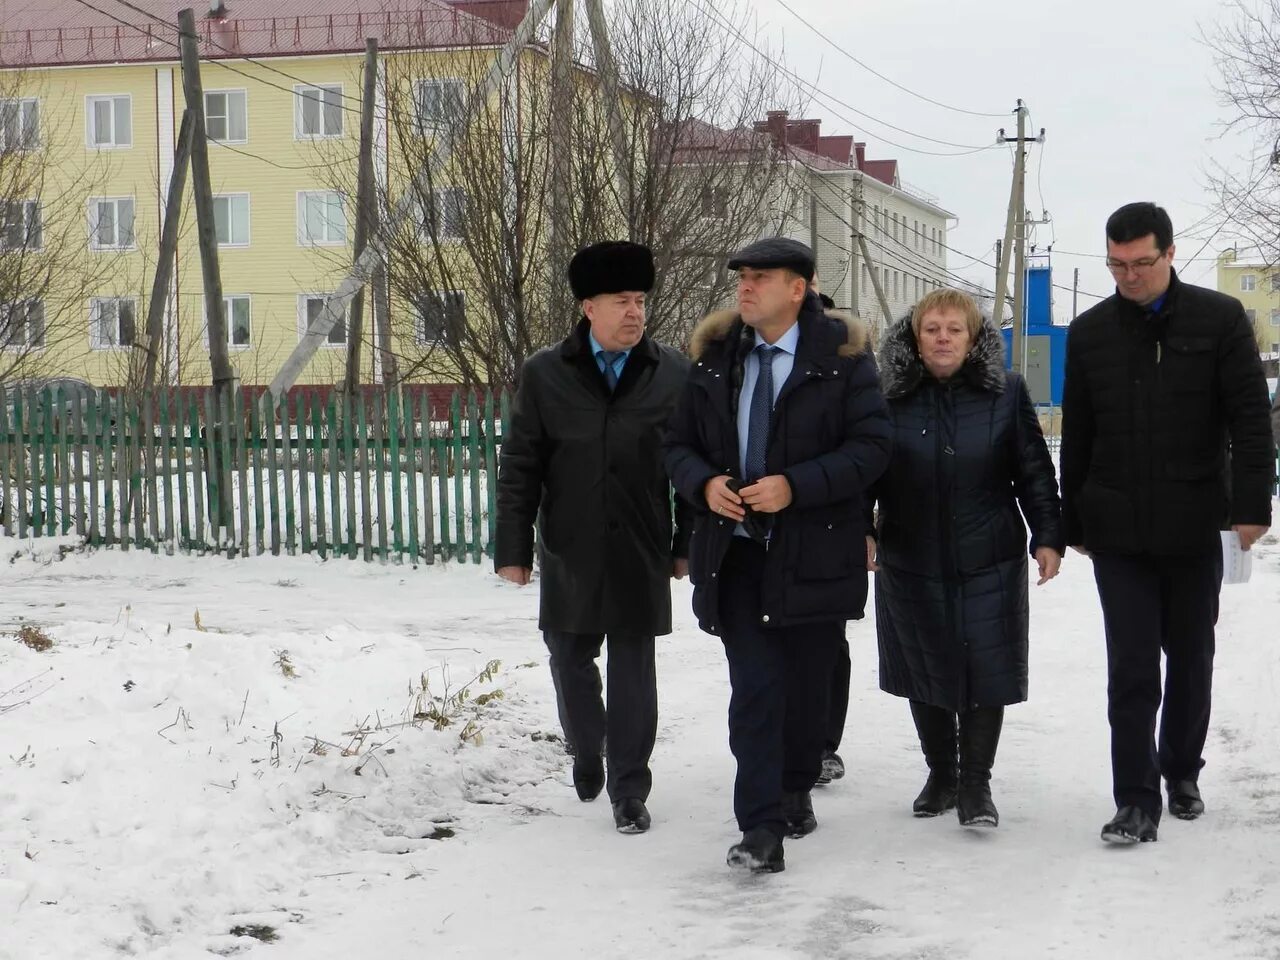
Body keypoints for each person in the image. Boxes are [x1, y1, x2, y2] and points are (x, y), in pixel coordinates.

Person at [664, 237, 891, 873]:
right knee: (756, 691)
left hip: (815, 553)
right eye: (741, 275)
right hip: (736, 555)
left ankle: (795, 786)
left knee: (808, 686)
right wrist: (704, 483)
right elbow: (676, 444)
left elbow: (872, 448)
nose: (745, 286)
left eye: (761, 277)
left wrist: (796, 485)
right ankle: (760, 826)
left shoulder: (845, 361)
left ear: (799, 288)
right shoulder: (714, 359)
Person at [1060, 202, 1275, 845]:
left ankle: (1181, 768)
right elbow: (1079, 433)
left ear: (1170, 254)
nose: (1128, 277)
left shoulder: (1220, 319)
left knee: (1190, 656)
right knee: (1130, 665)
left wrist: (1251, 509)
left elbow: (1249, 421)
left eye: (1141, 264)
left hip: (1195, 522)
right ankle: (1135, 798)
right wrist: (1073, 518)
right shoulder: (1091, 331)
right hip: (1117, 527)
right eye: (1116, 265)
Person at [494, 241, 691, 835]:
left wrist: (686, 544)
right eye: (620, 301)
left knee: (635, 671)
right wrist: (512, 548)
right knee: (570, 658)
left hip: (641, 542)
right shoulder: (545, 373)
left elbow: (691, 465)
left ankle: (629, 787)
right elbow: (521, 462)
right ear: (588, 307)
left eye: (640, 300)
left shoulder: (673, 373)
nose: (634, 312)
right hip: (569, 544)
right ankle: (587, 747)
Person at [867, 289, 1063, 829]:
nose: (943, 338)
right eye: (932, 329)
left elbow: (1034, 471)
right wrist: (862, 527)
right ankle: (941, 774)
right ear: (915, 337)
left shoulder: (1007, 393)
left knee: (984, 666)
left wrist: (1048, 535)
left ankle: (977, 784)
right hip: (909, 554)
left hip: (989, 555)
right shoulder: (888, 397)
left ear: (975, 338)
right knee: (923, 662)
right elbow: (864, 472)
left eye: (955, 329)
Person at [810, 275, 851, 786]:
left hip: (828, 518)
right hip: (762, 523)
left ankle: (823, 745)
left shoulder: (846, 354)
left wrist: (863, 524)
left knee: (828, 643)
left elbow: (866, 446)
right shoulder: (744, 353)